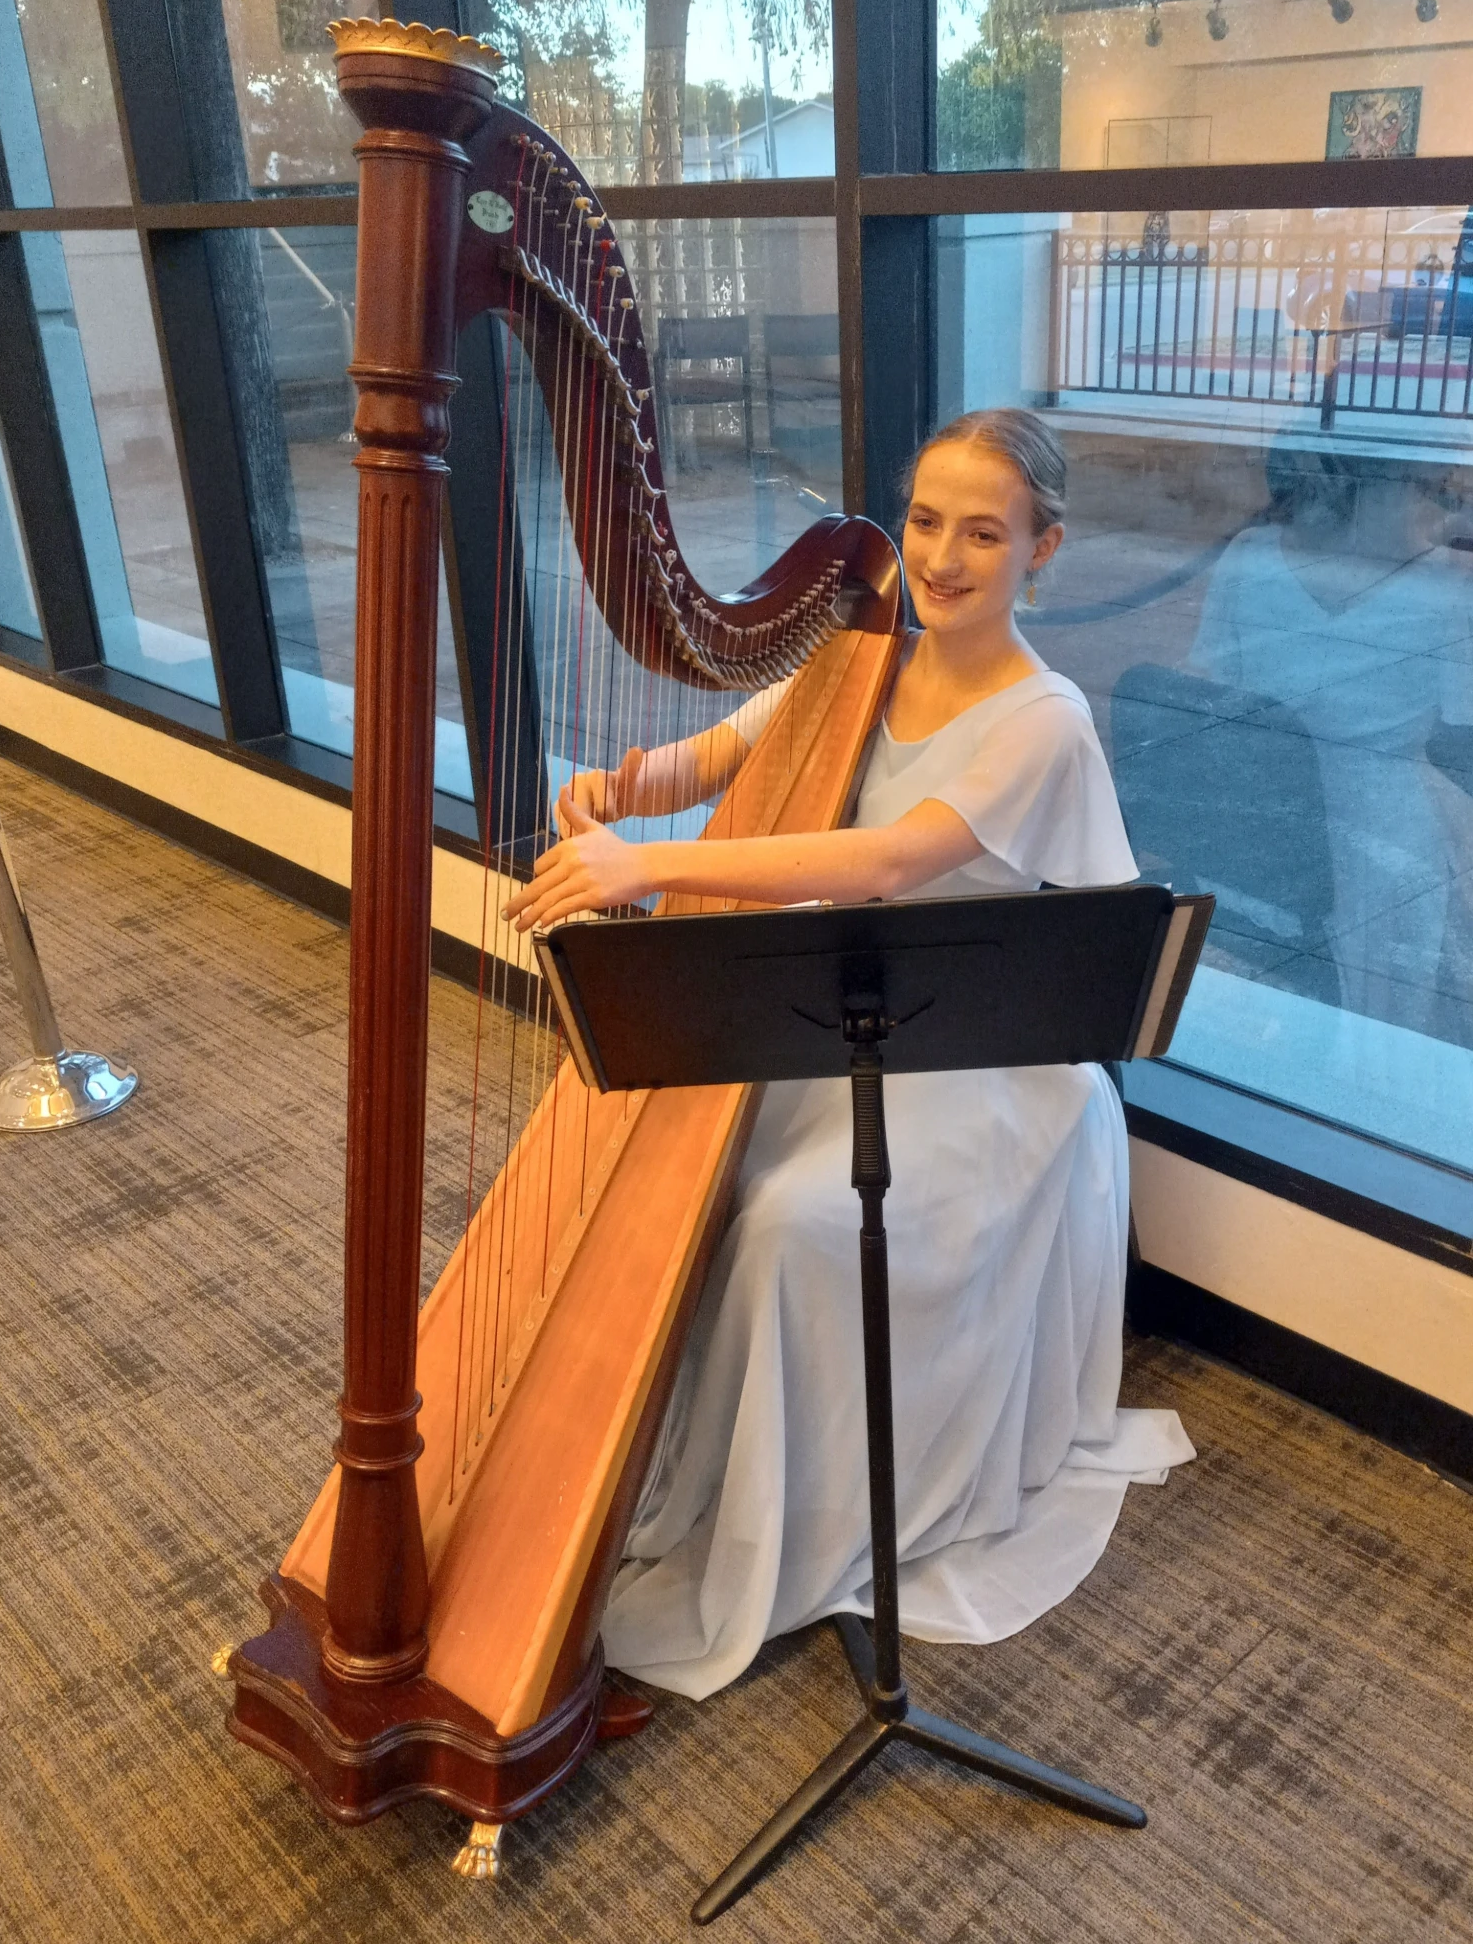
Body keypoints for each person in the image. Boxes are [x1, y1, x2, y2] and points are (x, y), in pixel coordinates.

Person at [504, 407, 1194, 1700]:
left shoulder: (1042, 719)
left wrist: (650, 863)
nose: (941, 555)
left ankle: (803, 1527)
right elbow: (707, 756)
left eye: (984, 532)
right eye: (926, 519)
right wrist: (613, 790)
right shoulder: (857, 664)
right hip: (857, 1016)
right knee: (709, 1183)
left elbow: (884, 863)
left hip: (989, 1062)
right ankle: (722, 1484)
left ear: (1044, 551)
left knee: (787, 1225)